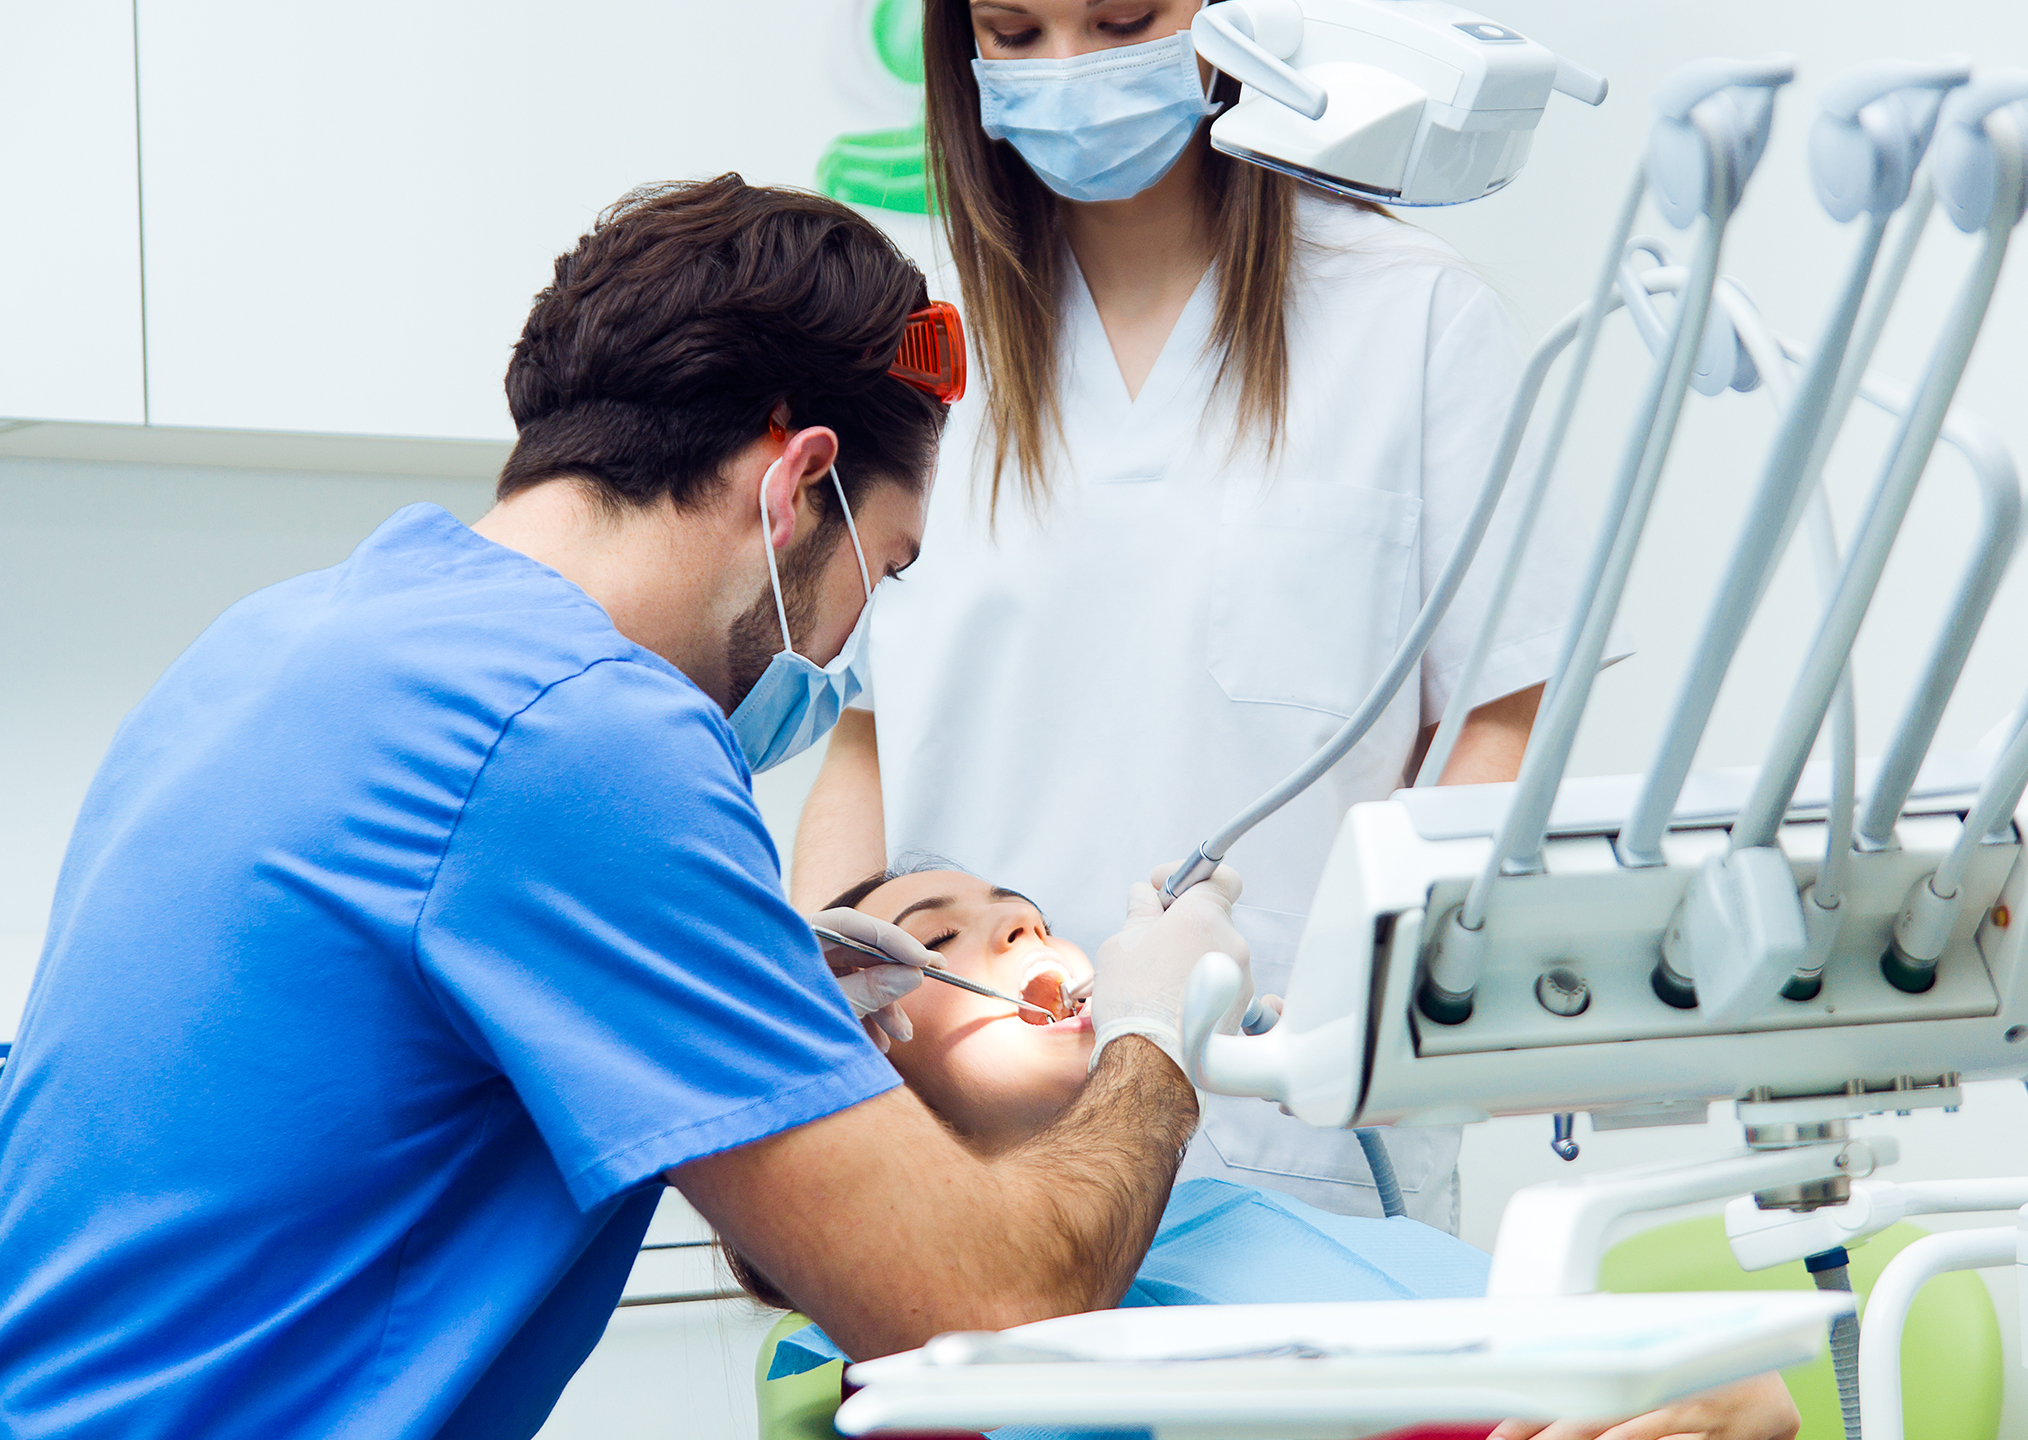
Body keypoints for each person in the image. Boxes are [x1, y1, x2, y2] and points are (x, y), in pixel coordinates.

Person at [0, 177, 1253, 1440]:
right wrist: (1156, 1028)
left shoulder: (275, 640)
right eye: (882, 567)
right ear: (797, 482)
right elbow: (996, 1307)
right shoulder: (580, 733)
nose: (855, 635)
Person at [790, 0, 1620, 1229]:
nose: (1067, 74)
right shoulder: (924, 351)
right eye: (1014, 36)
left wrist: (1364, 996)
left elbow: (1505, 725)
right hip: (968, 1157)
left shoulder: (1413, 320)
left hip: (1295, 1133)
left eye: (1120, 19)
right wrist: (840, 1052)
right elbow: (863, 731)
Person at [744, 866, 1801, 1440]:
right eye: (942, 933)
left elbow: (1717, 1398)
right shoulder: (905, 1358)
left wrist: (1716, 1391)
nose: (1021, 927)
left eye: (1027, 915)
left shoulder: (1241, 1229)